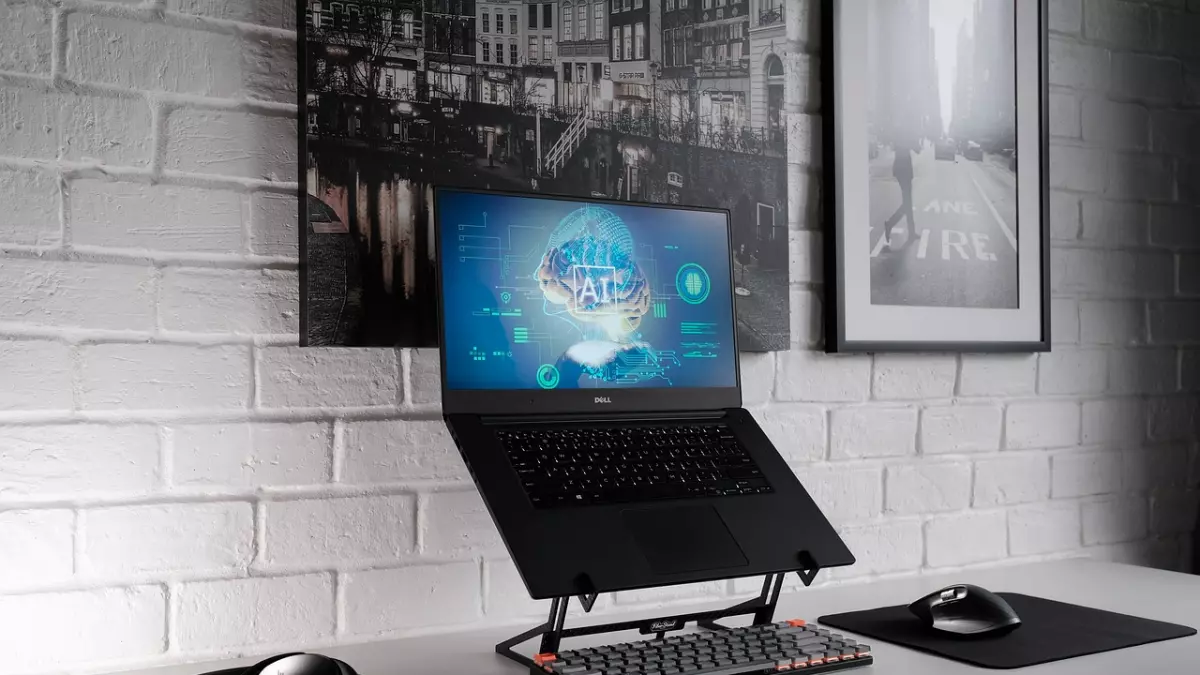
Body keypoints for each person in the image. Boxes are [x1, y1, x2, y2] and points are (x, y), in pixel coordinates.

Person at [883, 138, 917, 246]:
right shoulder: (906, 133)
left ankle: (911, 232)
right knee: (907, 203)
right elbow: (916, 148)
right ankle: (890, 224)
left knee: (908, 202)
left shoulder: (903, 132)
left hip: (902, 170)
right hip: (904, 171)